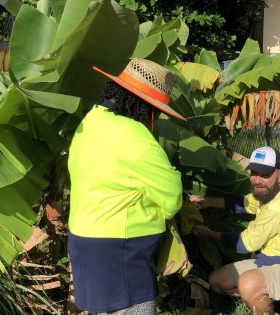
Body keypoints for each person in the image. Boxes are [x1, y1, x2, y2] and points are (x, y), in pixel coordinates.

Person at [67, 58, 186, 314]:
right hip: (121, 249)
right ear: (145, 107)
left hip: (83, 241)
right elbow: (172, 198)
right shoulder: (136, 137)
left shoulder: (90, 122)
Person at [191, 146, 280, 315]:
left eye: (265, 174)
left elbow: (244, 244)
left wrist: (208, 233)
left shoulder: (278, 207)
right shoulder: (267, 192)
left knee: (247, 284)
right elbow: (243, 203)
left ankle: (266, 306)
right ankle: (268, 299)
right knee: (216, 282)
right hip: (268, 261)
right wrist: (205, 201)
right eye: (254, 172)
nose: (257, 180)